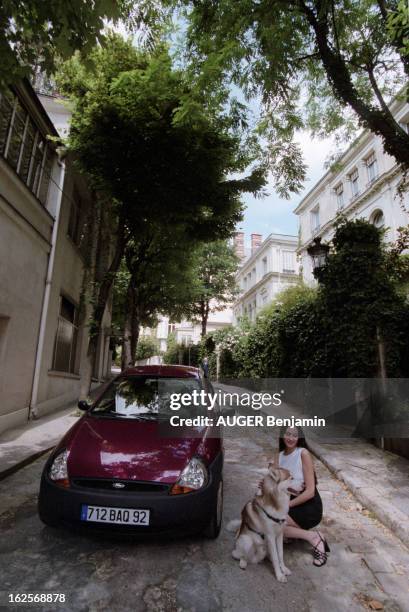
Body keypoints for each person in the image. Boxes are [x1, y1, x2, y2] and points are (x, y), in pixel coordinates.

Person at [276, 425, 330, 567]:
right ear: (282, 435)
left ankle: (315, 537)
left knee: (275, 523)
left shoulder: (303, 453)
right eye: (288, 434)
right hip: (290, 501)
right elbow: (279, 485)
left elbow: (310, 491)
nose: (291, 438)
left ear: (299, 437)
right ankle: (292, 532)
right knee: (267, 522)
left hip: (308, 506)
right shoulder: (279, 456)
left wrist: (287, 506)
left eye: (294, 435)